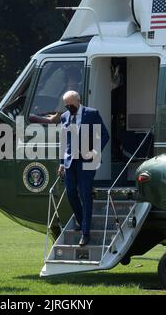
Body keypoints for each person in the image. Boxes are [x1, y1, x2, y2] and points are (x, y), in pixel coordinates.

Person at [58, 91, 109, 246]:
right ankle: (82, 221)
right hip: (70, 162)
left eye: (70, 104)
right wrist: (61, 162)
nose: (68, 107)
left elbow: (104, 135)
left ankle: (85, 233)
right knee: (71, 193)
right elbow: (63, 141)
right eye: (66, 104)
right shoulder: (64, 117)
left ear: (78, 101)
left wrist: (95, 151)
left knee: (85, 194)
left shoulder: (92, 114)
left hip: (87, 161)